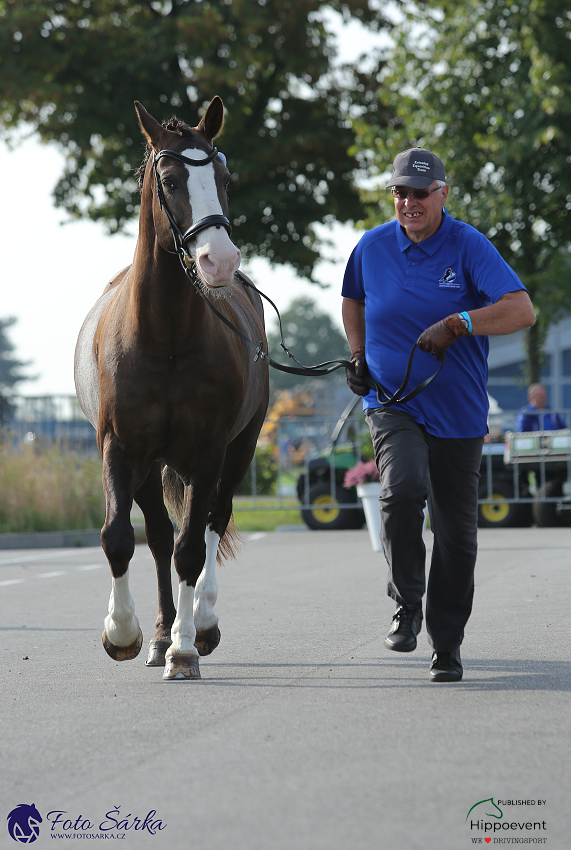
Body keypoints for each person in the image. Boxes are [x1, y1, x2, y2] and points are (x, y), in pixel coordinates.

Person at [342, 147, 536, 682]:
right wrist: (357, 355)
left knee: (456, 534)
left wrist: (459, 325)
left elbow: (521, 309)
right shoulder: (372, 246)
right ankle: (407, 603)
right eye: (400, 192)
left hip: (459, 412)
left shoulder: (469, 245)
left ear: (443, 194)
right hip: (392, 402)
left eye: (420, 193)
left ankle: (446, 643)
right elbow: (353, 300)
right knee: (401, 491)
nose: (409, 202)